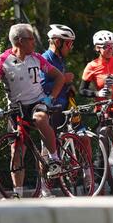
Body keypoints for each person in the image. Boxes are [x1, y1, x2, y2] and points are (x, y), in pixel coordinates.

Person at [0, 23, 64, 198]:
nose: (34, 43)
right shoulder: (2, 61)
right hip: (16, 108)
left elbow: (59, 77)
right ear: (20, 41)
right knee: (17, 150)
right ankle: (18, 194)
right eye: (31, 39)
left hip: (37, 102)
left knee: (40, 118)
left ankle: (54, 158)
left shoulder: (36, 58)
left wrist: (49, 98)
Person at [40, 24, 76, 197]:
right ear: (57, 42)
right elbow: (41, 86)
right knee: (46, 148)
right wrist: (64, 79)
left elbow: (60, 84)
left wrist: (68, 85)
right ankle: (44, 188)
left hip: (62, 105)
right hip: (50, 107)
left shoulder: (60, 59)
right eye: (68, 43)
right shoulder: (45, 58)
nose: (71, 47)